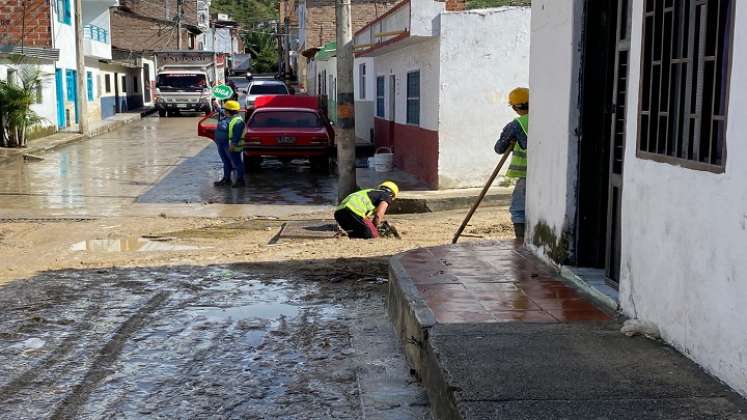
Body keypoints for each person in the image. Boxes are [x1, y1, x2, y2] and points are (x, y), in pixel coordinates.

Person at [494, 87, 529, 239]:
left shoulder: (516, 125)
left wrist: (513, 138)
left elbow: (499, 148)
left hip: (526, 175)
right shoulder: (546, 117)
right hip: (547, 174)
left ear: (516, 107)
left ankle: (520, 242)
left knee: (518, 210)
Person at [334, 182, 399, 239]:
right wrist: (374, 228)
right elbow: (378, 215)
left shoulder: (368, 191)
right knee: (373, 235)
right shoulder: (387, 196)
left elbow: (365, 218)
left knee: (357, 232)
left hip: (339, 212)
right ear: (392, 195)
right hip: (353, 211)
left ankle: (346, 233)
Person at [213, 100, 246, 188]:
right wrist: (218, 107)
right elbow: (222, 112)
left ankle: (240, 181)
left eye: (225, 110)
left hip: (230, 145)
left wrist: (233, 144)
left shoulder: (238, 121)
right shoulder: (228, 116)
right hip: (222, 144)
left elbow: (237, 135)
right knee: (226, 162)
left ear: (229, 111)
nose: (224, 111)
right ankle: (226, 179)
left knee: (237, 163)